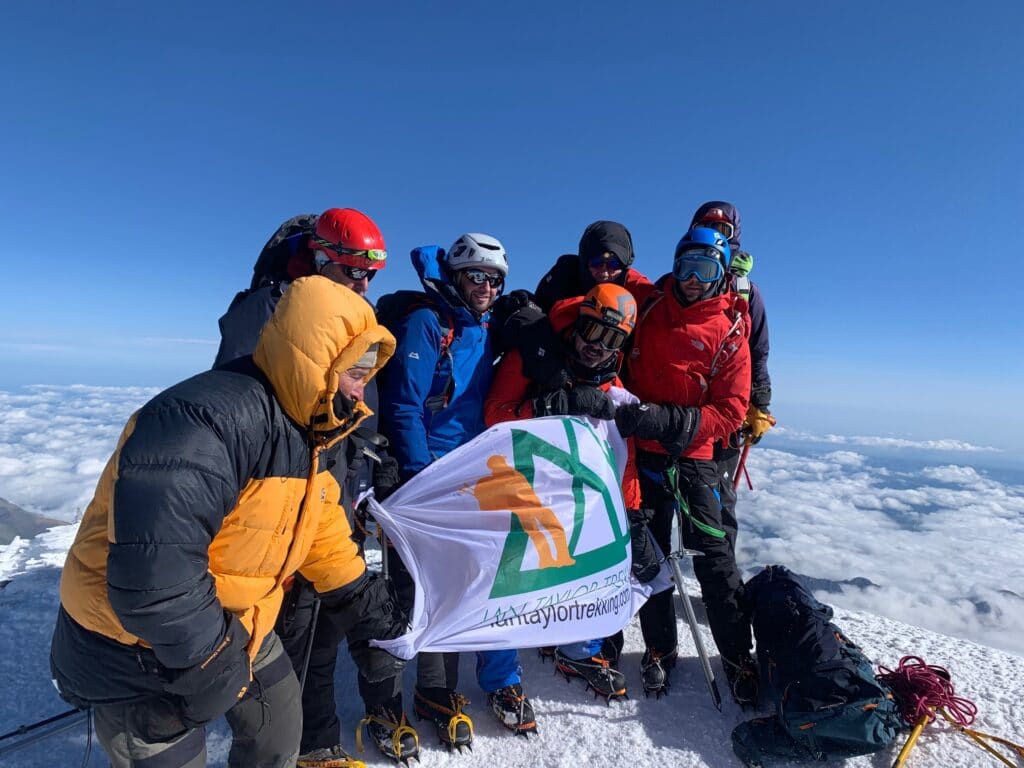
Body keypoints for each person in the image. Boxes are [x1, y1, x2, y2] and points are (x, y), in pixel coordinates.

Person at [49, 276, 406, 768]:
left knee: (279, 727)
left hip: (235, 623)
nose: (363, 383)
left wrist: (367, 613)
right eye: (356, 367)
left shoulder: (307, 431)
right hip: (134, 644)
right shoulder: (201, 424)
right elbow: (154, 583)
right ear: (317, 359)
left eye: (371, 369)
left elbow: (321, 529)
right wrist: (215, 664)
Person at [211, 208, 405, 765]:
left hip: (330, 491)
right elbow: (243, 403)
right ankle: (282, 748)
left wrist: (377, 454)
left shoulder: (360, 320)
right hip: (279, 491)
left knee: (320, 628)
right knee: (282, 633)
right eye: (354, 271)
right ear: (321, 259)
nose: (365, 284)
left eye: (371, 275)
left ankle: (315, 745)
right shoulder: (267, 309)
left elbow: (358, 402)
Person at [375, 233, 535, 746]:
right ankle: (402, 699)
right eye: (476, 276)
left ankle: (451, 687)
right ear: (457, 275)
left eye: (494, 279)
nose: (486, 287)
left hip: (469, 471)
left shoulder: (483, 325)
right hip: (423, 476)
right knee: (417, 586)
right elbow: (403, 405)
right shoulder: (429, 322)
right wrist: (422, 479)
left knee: (473, 578)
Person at [484, 283, 660, 701]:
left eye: (613, 339)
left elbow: (624, 459)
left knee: (590, 566)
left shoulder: (611, 386)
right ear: (579, 322)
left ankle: (579, 650)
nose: (599, 347)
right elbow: (494, 417)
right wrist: (555, 404)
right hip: (518, 483)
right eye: (595, 331)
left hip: (571, 493)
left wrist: (632, 517)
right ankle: (501, 678)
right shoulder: (530, 355)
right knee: (508, 580)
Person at [614, 226, 758, 706]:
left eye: (705, 269)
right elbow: (607, 270)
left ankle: (737, 656)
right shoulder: (652, 304)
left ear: (722, 274)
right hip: (645, 458)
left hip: (695, 461)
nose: (693, 280)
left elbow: (731, 411)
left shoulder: (732, 329)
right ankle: (659, 648)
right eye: (685, 267)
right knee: (650, 556)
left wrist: (663, 419)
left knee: (715, 561)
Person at [687, 202, 774, 533]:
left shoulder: (746, 293)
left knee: (718, 501)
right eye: (705, 227)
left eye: (722, 231)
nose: (712, 237)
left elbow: (758, 351)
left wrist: (760, 403)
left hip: (724, 413)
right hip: (679, 408)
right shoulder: (681, 281)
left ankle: (720, 580)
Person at [533, 220, 653, 312]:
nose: (604, 273)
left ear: (625, 266)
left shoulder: (638, 288)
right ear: (585, 262)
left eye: (613, 264)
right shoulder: (563, 277)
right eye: (597, 263)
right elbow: (536, 310)